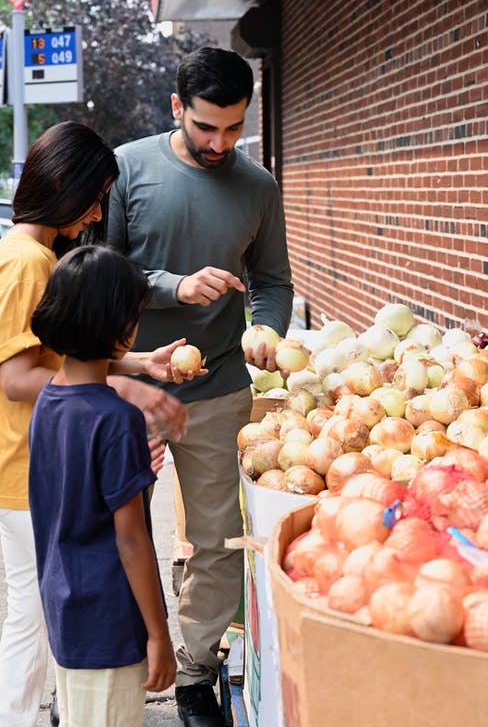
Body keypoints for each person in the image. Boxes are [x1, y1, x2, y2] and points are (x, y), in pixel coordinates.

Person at [108, 46, 294, 726]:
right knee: (114, 529)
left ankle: (194, 673)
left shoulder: (259, 186)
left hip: (219, 388)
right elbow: (101, 270)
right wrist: (173, 285)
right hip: (130, 383)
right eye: (206, 127)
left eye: (234, 128)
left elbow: (273, 281)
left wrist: (266, 328)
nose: (220, 143)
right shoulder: (129, 168)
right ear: (177, 108)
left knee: (217, 539)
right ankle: (121, 665)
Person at [0, 121, 191, 727]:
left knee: (39, 605)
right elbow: (16, 376)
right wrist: (127, 387)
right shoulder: (28, 260)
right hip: (21, 470)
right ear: (64, 184)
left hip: (42, 463)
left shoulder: (33, 254)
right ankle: (20, 716)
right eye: (97, 194)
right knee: (29, 612)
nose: (97, 211)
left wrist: (134, 363)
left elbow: (63, 357)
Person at [28, 244, 177, 727]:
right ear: (121, 328)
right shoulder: (117, 418)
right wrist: (158, 634)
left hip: (65, 605)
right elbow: (131, 539)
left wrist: (133, 470)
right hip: (110, 620)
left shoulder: (49, 398)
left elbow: (76, 490)